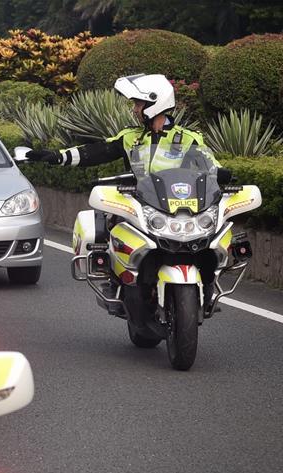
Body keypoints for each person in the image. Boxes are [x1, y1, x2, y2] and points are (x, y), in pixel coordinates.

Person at [26, 73, 231, 311]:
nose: (134, 110)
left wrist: (222, 174)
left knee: (208, 244)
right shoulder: (131, 138)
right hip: (139, 205)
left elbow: (210, 166)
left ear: (155, 104)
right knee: (108, 226)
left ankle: (206, 291)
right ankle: (114, 277)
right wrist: (55, 157)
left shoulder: (188, 140)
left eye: (138, 104)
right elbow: (95, 152)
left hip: (177, 211)